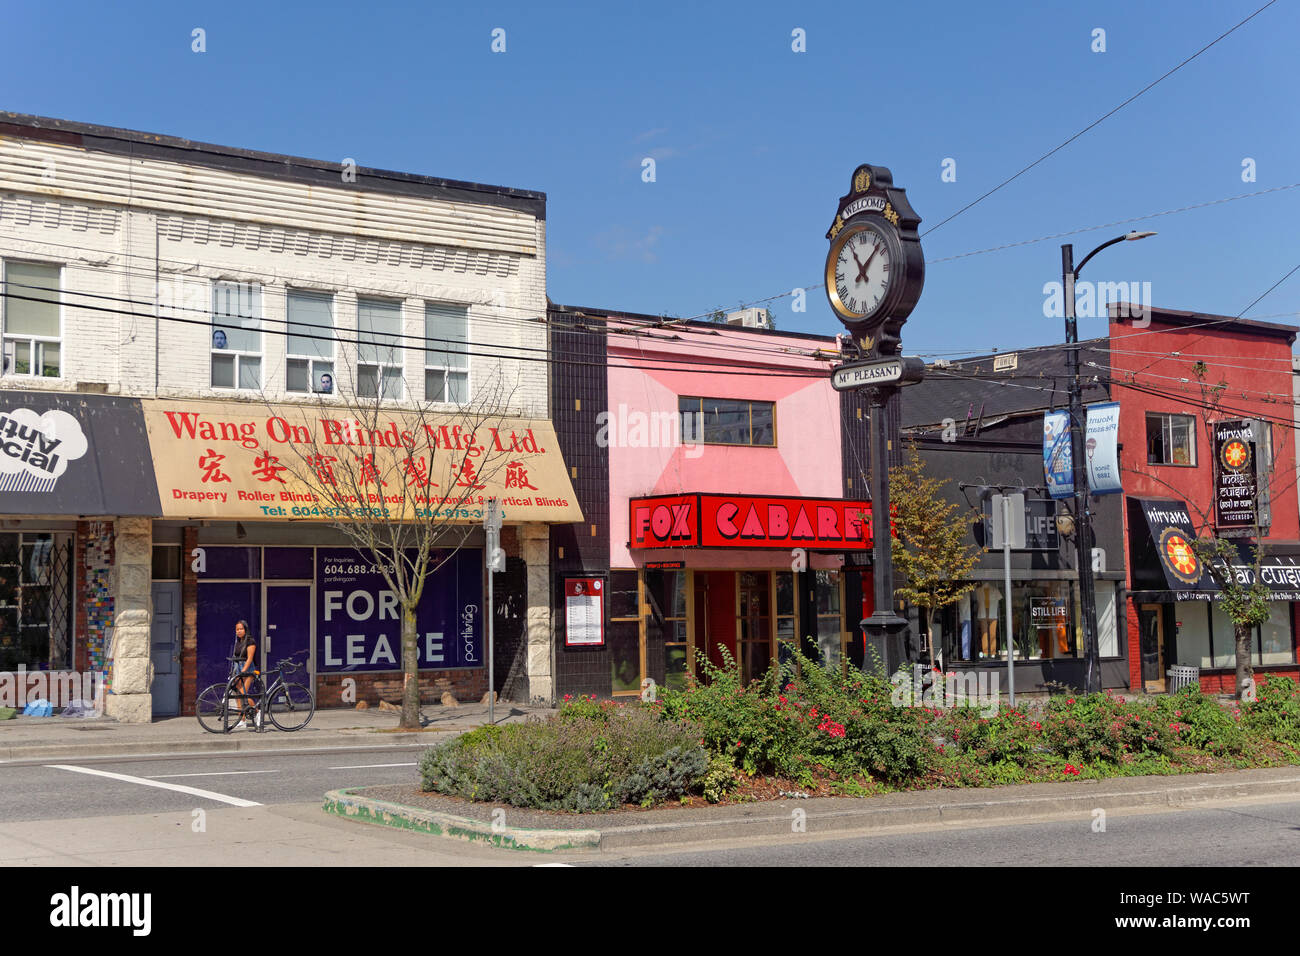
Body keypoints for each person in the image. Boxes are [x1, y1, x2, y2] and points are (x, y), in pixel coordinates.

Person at [231, 619, 261, 731]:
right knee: (238, 695)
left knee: (243, 693)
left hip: (248, 670)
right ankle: (242, 720)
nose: (238, 631)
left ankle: (257, 712)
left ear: (245, 629)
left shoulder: (250, 641)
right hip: (238, 669)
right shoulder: (238, 641)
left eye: (241, 629)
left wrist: (243, 671)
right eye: (237, 629)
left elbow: (249, 659)